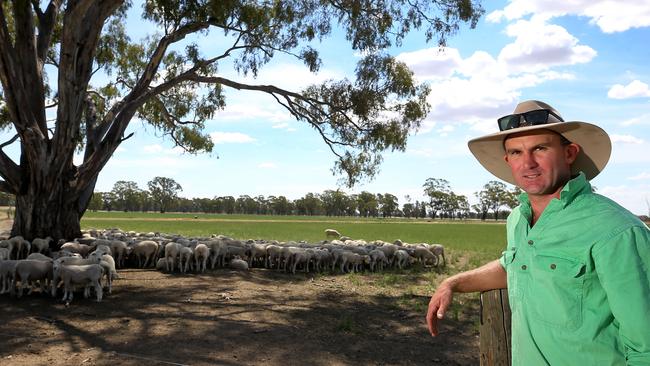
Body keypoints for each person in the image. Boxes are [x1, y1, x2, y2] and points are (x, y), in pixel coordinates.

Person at [425, 100, 650, 365]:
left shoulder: (617, 230)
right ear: (507, 160)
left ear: (569, 153)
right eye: (516, 152)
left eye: (540, 148)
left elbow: (645, 347)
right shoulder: (518, 219)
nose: (527, 163)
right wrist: (452, 283)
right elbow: (516, 266)